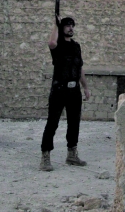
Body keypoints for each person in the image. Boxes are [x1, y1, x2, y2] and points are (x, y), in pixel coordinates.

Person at [39, 16, 90, 171]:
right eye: (67, 26)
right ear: (62, 29)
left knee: (74, 123)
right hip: (59, 89)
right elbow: (51, 43)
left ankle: (72, 154)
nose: (71, 28)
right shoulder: (58, 45)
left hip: (74, 90)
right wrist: (55, 25)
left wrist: (85, 87)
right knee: (52, 122)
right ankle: (45, 157)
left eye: (72, 26)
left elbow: (79, 68)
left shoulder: (76, 46)